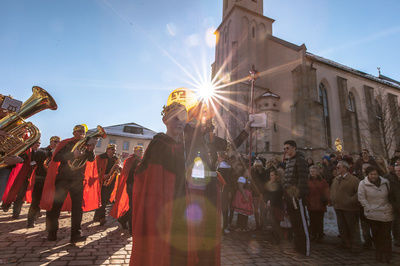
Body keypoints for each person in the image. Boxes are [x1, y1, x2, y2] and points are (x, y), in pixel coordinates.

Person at [130, 102, 188, 266]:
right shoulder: (159, 143)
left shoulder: (184, 147)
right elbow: (148, 178)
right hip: (161, 208)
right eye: (175, 118)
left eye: (183, 119)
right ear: (165, 120)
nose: (180, 122)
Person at [42, 125, 97, 243]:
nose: (80, 133)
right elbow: (56, 157)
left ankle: (76, 235)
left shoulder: (86, 145)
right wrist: (73, 155)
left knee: (77, 208)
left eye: (82, 132)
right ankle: (52, 233)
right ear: (73, 133)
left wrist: (91, 149)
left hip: (77, 180)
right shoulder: (66, 143)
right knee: (55, 206)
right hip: (63, 179)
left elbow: (91, 159)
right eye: (78, 131)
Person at [358, 166, 393, 263]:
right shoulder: (363, 184)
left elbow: (390, 194)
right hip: (373, 214)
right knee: (377, 236)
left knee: (386, 235)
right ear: (368, 175)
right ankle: (379, 254)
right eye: (371, 174)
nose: (374, 176)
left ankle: (388, 255)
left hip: (386, 212)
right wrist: (368, 208)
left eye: (375, 174)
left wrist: (389, 206)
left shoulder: (385, 182)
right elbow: (361, 198)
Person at [282, 140, 310, 256]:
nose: (286, 151)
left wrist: (297, 195)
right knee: (294, 223)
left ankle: (304, 250)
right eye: (284, 149)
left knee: (301, 224)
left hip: (297, 198)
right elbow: (287, 180)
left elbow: (302, 180)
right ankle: (297, 248)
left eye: (287, 148)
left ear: (294, 148)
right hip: (290, 197)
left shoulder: (300, 161)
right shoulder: (289, 161)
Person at [26, 136, 60, 227]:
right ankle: (30, 221)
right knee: (36, 200)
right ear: (51, 142)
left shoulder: (59, 152)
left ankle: (49, 225)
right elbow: (38, 157)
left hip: (52, 180)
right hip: (41, 178)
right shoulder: (42, 150)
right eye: (55, 141)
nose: (57, 143)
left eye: (58, 142)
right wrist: (51, 153)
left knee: (51, 202)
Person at [1, 141, 39, 218]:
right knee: (17, 195)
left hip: (30, 177)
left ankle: (16, 213)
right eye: (36, 143)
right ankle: (12, 211)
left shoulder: (38, 152)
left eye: (39, 143)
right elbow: (21, 158)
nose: (37, 145)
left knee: (23, 196)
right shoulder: (27, 151)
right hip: (21, 176)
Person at [330, 160, 361, 253]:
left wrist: (350, 200)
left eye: (339, 167)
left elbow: (359, 193)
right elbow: (332, 190)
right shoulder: (335, 179)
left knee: (352, 228)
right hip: (338, 207)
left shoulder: (354, 180)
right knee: (342, 227)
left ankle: (356, 245)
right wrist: (332, 199)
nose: (337, 169)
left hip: (350, 208)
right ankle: (345, 243)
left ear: (345, 168)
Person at [111, 145, 143, 232]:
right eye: (139, 151)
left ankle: (123, 219)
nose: (140, 152)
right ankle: (131, 228)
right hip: (131, 185)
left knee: (134, 206)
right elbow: (127, 172)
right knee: (133, 206)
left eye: (141, 151)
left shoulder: (142, 160)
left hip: (138, 186)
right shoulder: (130, 160)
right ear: (135, 151)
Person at [93, 144, 120, 226]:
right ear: (107, 150)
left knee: (105, 199)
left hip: (111, 181)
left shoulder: (116, 159)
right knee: (103, 199)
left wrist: (118, 167)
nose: (114, 151)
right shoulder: (100, 157)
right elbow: (95, 169)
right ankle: (102, 218)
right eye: (112, 149)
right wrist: (102, 175)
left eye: (114, 150)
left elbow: (117, 169)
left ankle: (97, 217)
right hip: (101, 181)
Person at [306, 165, 329, 242]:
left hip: (320, 203)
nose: (312, 173)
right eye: (311, 171)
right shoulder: (307, 181)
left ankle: (320, 235)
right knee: (312, 220)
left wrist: (326, 200)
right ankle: (313, 234)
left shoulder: (323, 181)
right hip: (311, 203)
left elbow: (326, 191)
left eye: (313, 171)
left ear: (317, 172)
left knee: (319, 221)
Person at [216, 151, 234, 234]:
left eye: (218, 156)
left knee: (223, 209)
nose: (218, 158)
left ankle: (223, 227)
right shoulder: (227, 167)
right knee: (224, 209)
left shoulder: (221, 167)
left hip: (222, 190)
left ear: (221, 157)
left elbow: (227, 181)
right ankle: (224, 226)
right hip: (225, 190)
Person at [265, 168, 284, 244]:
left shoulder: (278, 185)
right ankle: (273, 238)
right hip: (272, 206)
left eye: (272, 175)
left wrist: (270, 202)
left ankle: (277, 239)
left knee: (276, 223)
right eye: (270, 175)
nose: (271, 177)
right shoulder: (272, 184)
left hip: (277, 206)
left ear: (276, 176)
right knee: (273, 223)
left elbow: (276, 196)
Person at [250, 158, 267, 230]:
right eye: (256, 166)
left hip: (262, 193)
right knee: (256, 209)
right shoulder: (252, 171)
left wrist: (262, 193)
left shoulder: (264, 171)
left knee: (261, 209)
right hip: (255, 193)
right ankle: (258, 225)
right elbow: (252, 182)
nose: (258, 167)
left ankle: (261, 224)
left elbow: (264, 183)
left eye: (259, 166)